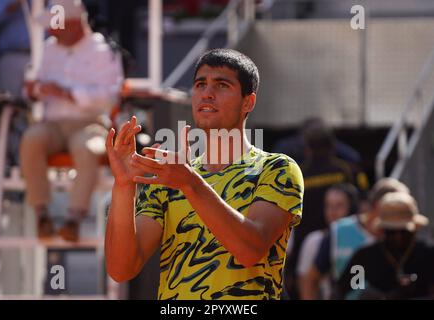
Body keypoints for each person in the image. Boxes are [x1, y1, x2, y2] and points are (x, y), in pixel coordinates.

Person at [105, 48, 304, 300]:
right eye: (200, 85)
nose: (207, 94)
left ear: (248, 102)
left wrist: (190, 184)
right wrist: (123, 184)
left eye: (222, 85)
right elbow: (121, 269)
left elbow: (250, 250)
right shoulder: (170, 177)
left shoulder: (277, 169)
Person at [21, 0, 123, 241]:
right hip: (53, 124)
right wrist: (34, 90)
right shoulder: (48, 48)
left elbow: (110, 96)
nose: (52, 31)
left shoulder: (103, 50)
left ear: (75, 24)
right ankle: (41, 213)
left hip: (90, 123)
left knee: (85, 148)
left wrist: (68, 93)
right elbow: (31, 89)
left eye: (57, 26)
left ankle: (74, 219)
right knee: (30, 140)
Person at [302, 178, 410, 299]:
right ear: (377, 206)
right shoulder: (339, 231)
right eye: (395, 211)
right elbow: (310, 279)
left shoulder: (402, 238)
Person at [335, 192, 434, 300]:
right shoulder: (367, 257)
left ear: (414, 229)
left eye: (403, 231)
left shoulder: (427, 254)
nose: (398, 237)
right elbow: (340, 291)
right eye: (392, 231)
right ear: (383, 230)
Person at [297, 183, 359, 299]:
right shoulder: (314, 241)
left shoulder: (363, 238)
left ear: (352, 207)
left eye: (339, 205)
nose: (332, 212)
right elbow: (305, 282)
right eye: (328, 205)